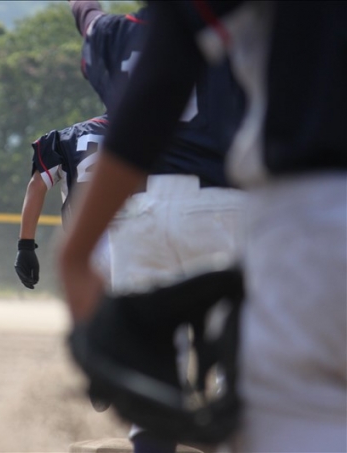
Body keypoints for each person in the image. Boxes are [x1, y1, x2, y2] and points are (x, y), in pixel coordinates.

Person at [59, 2, 347, 453]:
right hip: (232, 205)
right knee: (239, 380)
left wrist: (75, 252)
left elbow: (155, 77)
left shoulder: (127, 31)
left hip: (153, 211)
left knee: (160, 393)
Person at [68, 2, 246, 452]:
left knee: (153, 382)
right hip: (222, 206)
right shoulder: (245, 25)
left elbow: (87, 17)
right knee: (239, 371)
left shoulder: (117, 33)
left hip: (138, 215)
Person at [15, 115, 111, 291]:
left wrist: (25, 245)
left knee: (94, 306)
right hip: (135, 238)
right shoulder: (146, 135)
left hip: (85, 244)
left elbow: (37, 185)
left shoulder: (67, 137)